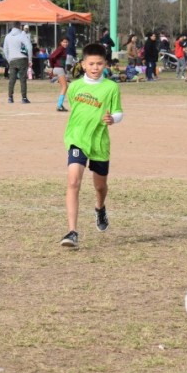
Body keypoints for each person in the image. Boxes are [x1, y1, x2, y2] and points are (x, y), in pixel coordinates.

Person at [59, 43, 123, 249]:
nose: (95, 67)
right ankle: (72, 232)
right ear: (83, 64)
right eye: (91, 64)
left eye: (99, 64)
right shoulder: (75, 87)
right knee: (73, 181)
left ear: (105, 65)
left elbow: (119, 112)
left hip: (99, 142)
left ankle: (100, 207)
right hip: (77, 138)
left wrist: (112, 118)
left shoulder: (111, 87)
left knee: (100, 186)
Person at [4, 22, 32, 103]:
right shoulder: (22, 35)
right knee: (23, 79)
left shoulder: (8, 36)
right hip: (22, 59)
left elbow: (5, 50)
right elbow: (29, 47)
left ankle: (10, 97)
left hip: (12, 59)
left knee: (12, 79)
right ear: (20, 26)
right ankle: (24, 98)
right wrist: (30, 59)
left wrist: (8, 59)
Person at [48, 37, 70, 112]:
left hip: (59, 69)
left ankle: (53, 78)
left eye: (67, 42)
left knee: (64, 87)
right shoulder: (61, 48)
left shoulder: (63, 49)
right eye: (64, 42)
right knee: (65, 87)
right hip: (59, 69)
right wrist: (52, 66)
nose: (65, 43)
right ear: (60, 42)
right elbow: (51, 57)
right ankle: (59, 105)